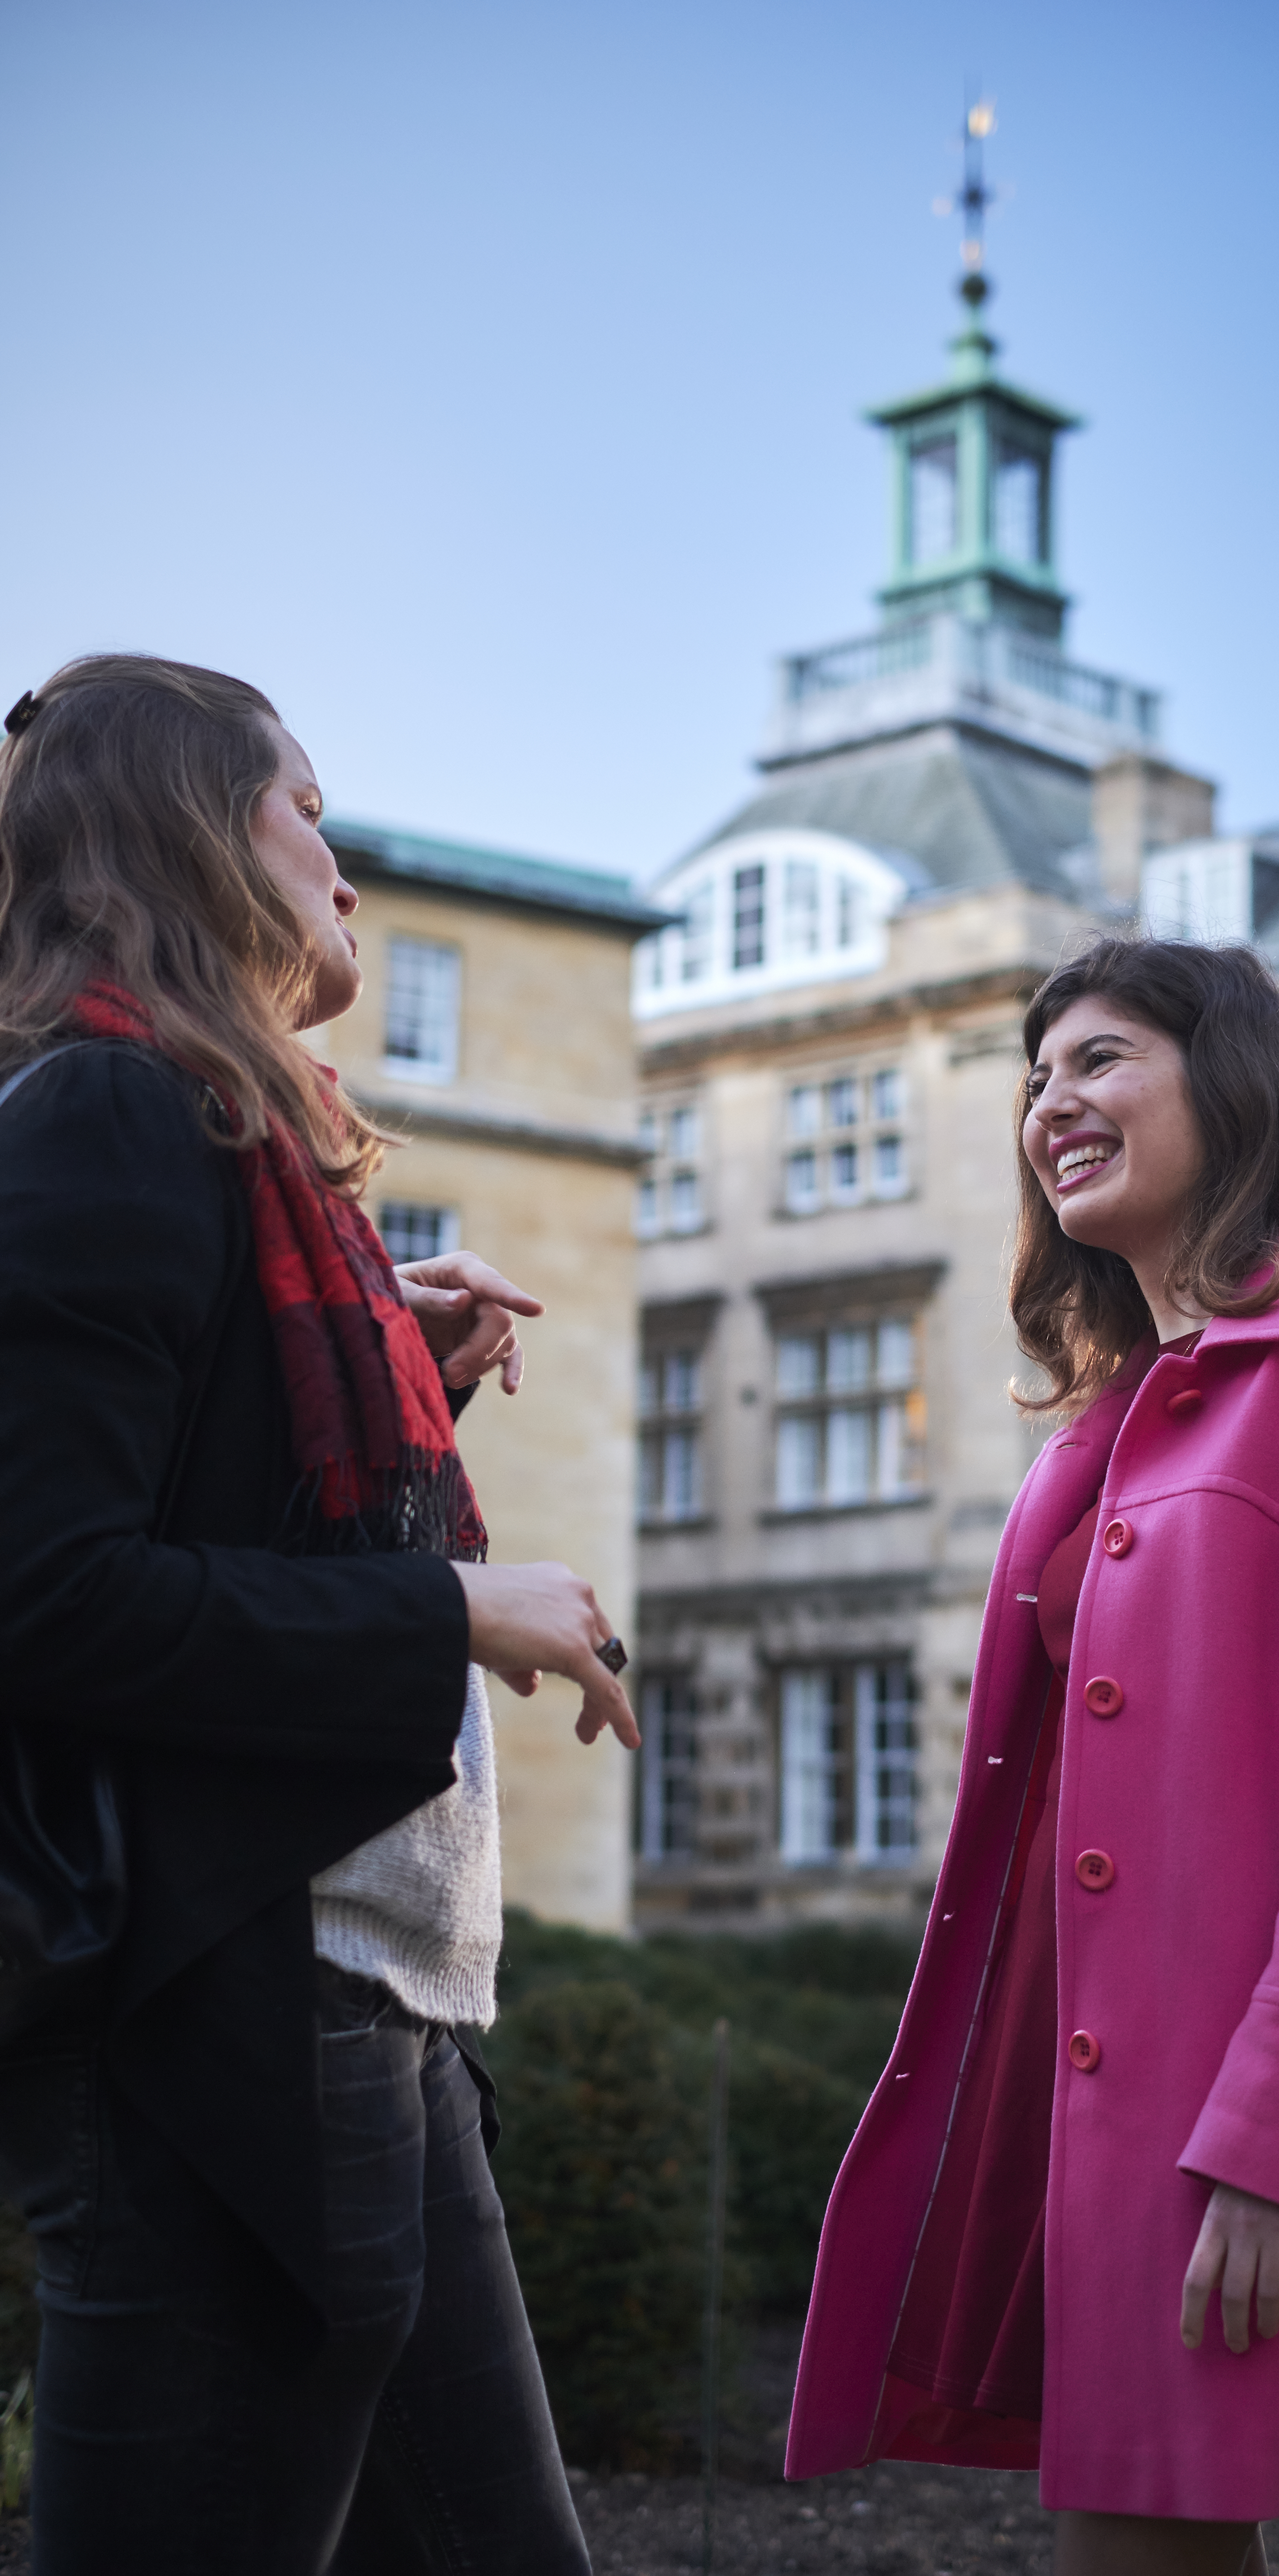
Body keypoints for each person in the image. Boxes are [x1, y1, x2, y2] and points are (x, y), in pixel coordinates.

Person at [785, 938, 1279, 2575]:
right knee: (1138, 2527)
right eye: (1033, 1080)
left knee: (1148, 2533)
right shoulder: (1101, 1422)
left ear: (1224, 1084)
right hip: (1073, 2074)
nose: (1051, 1103)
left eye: (1096, 1060)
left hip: (1229, 2084)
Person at [0, 655, 639, 2574]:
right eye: (311, 818)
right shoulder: (101, 1115)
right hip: (218, 2020)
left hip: (365, 2001)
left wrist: (402, 1387)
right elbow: (46, 1602)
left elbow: (185, 1523)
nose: (342, 874)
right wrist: (449, 1609)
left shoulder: (219, 1140)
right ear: (202, 836)